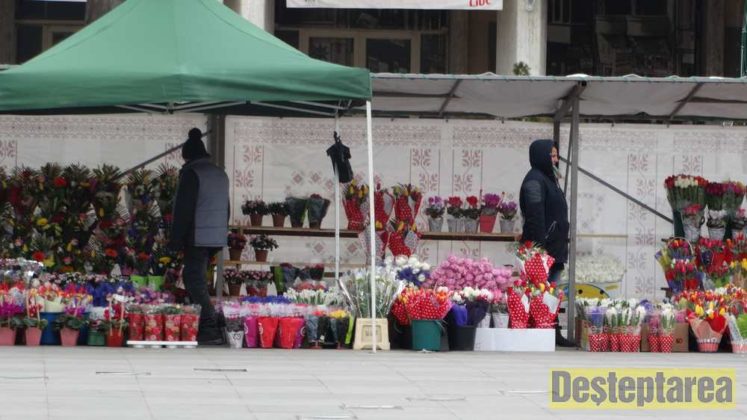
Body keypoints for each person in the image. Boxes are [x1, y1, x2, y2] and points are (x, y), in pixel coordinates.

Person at [169, 128, 229, 345]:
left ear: (187, 156)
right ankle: (211, 324)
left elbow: (183, 210)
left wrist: (175, 241)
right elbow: (226, 208)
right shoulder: (220, 173)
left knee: (193, 279)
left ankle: (209, 326)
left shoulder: (191, 174)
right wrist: (221, 233)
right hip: (215, 235)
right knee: (199, 279)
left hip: (198, 234)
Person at [519, 139, 574, 347]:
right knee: (541, 292)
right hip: (542, 251)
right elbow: (534, 216)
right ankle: (544, 332)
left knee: (550, 293)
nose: (555, 159)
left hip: (554, 249)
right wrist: (540, 249)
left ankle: (551, 331)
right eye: (551, 155)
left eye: (556, 155)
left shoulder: (549, 179)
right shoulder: (534, 180)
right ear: (541, 156)